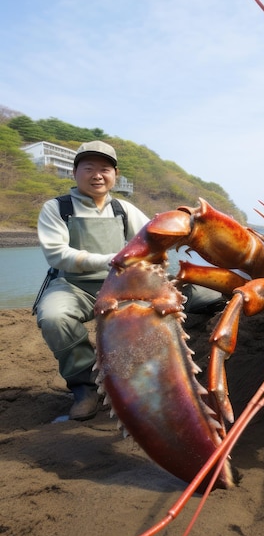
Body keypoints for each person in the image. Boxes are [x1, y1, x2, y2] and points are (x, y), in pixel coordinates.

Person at [35, 140, 227, 421]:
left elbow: (154, 240)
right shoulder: (57, 208)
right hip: (75, 285)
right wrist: (113, 260)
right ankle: (85, 389)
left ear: (115, 174)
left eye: (105, 169)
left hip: (126, 283)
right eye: (89, 168)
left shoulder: (123, 209)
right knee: (54, 317)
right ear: (75, 172)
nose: (97, 175)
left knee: (209, 295)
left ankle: (207, 319)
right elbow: (58, 255)